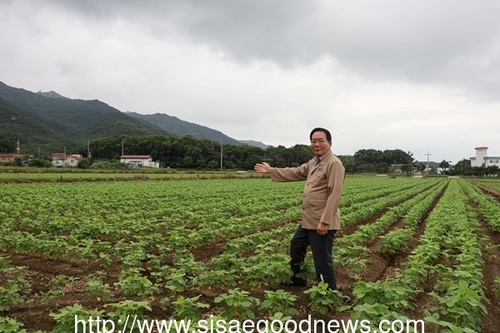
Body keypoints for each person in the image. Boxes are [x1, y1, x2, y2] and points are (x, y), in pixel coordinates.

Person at [254, 127, 345, 290]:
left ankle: (328, 294)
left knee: (322, 261)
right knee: (296, 246)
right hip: (308, 219)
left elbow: (335, 194)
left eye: (320, 141)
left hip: (322, 221)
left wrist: (325, 221)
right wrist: (271, 171)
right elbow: (295, 172)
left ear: (330, 143)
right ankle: (299, 279)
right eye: (313, 141)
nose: (316, 144)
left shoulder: (334, 164)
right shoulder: (314, 162)